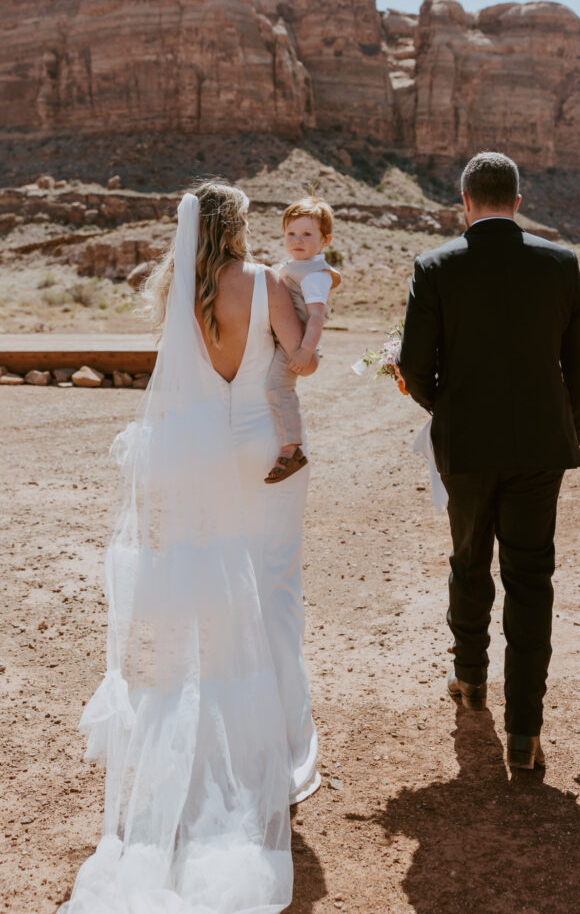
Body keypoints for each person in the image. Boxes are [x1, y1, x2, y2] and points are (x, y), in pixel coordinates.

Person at [59, 181, 320, 914]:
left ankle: (210, 735)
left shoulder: (179, 291)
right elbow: (297, 363)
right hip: (262, 447)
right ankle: (278, 750)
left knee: (216, 598)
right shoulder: (265, 281)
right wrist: (313, 334)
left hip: (201, 453)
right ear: (238, 227)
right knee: (273, 589)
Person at [399, 152, 580, 770]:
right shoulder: (560, 264)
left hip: (466, 449)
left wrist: (450, 412)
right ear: (517, 201)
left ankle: (471, 681)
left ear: (464, 202)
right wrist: (569, 431)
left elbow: (413, 364)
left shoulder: (434, 267)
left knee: (468, 562)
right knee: (530, 577)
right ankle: (526, 732)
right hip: (541, 448)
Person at [265, 196, 341, 484]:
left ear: (325, 241)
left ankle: (291, 447)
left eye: (307, 234)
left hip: (295, 344)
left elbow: (317, 317)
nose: (297, 240)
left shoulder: (314, 276)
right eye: (291, 234)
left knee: (277, 387)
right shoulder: (295, 266)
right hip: (286, 339)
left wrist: (305, 350)